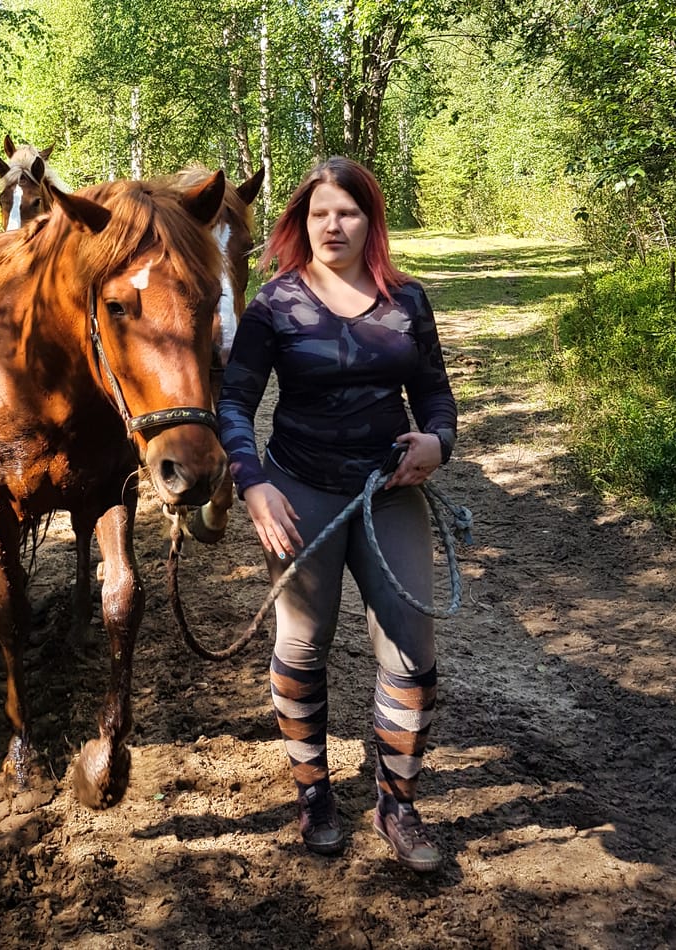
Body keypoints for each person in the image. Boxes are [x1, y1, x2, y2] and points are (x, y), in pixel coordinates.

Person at [217, 156, 457, 872]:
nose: (332, 225)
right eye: (319, 212)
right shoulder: (273, 305)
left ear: (368, 220)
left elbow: (437, 397)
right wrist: (252, 484)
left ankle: (397, 803)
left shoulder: (407, 301)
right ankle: (313, 791)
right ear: (300, 222)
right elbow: (233, 402)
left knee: (411, 649)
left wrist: (437, 443)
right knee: (302, 643)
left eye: (346, 212)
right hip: (299, 490)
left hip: (390, 492)